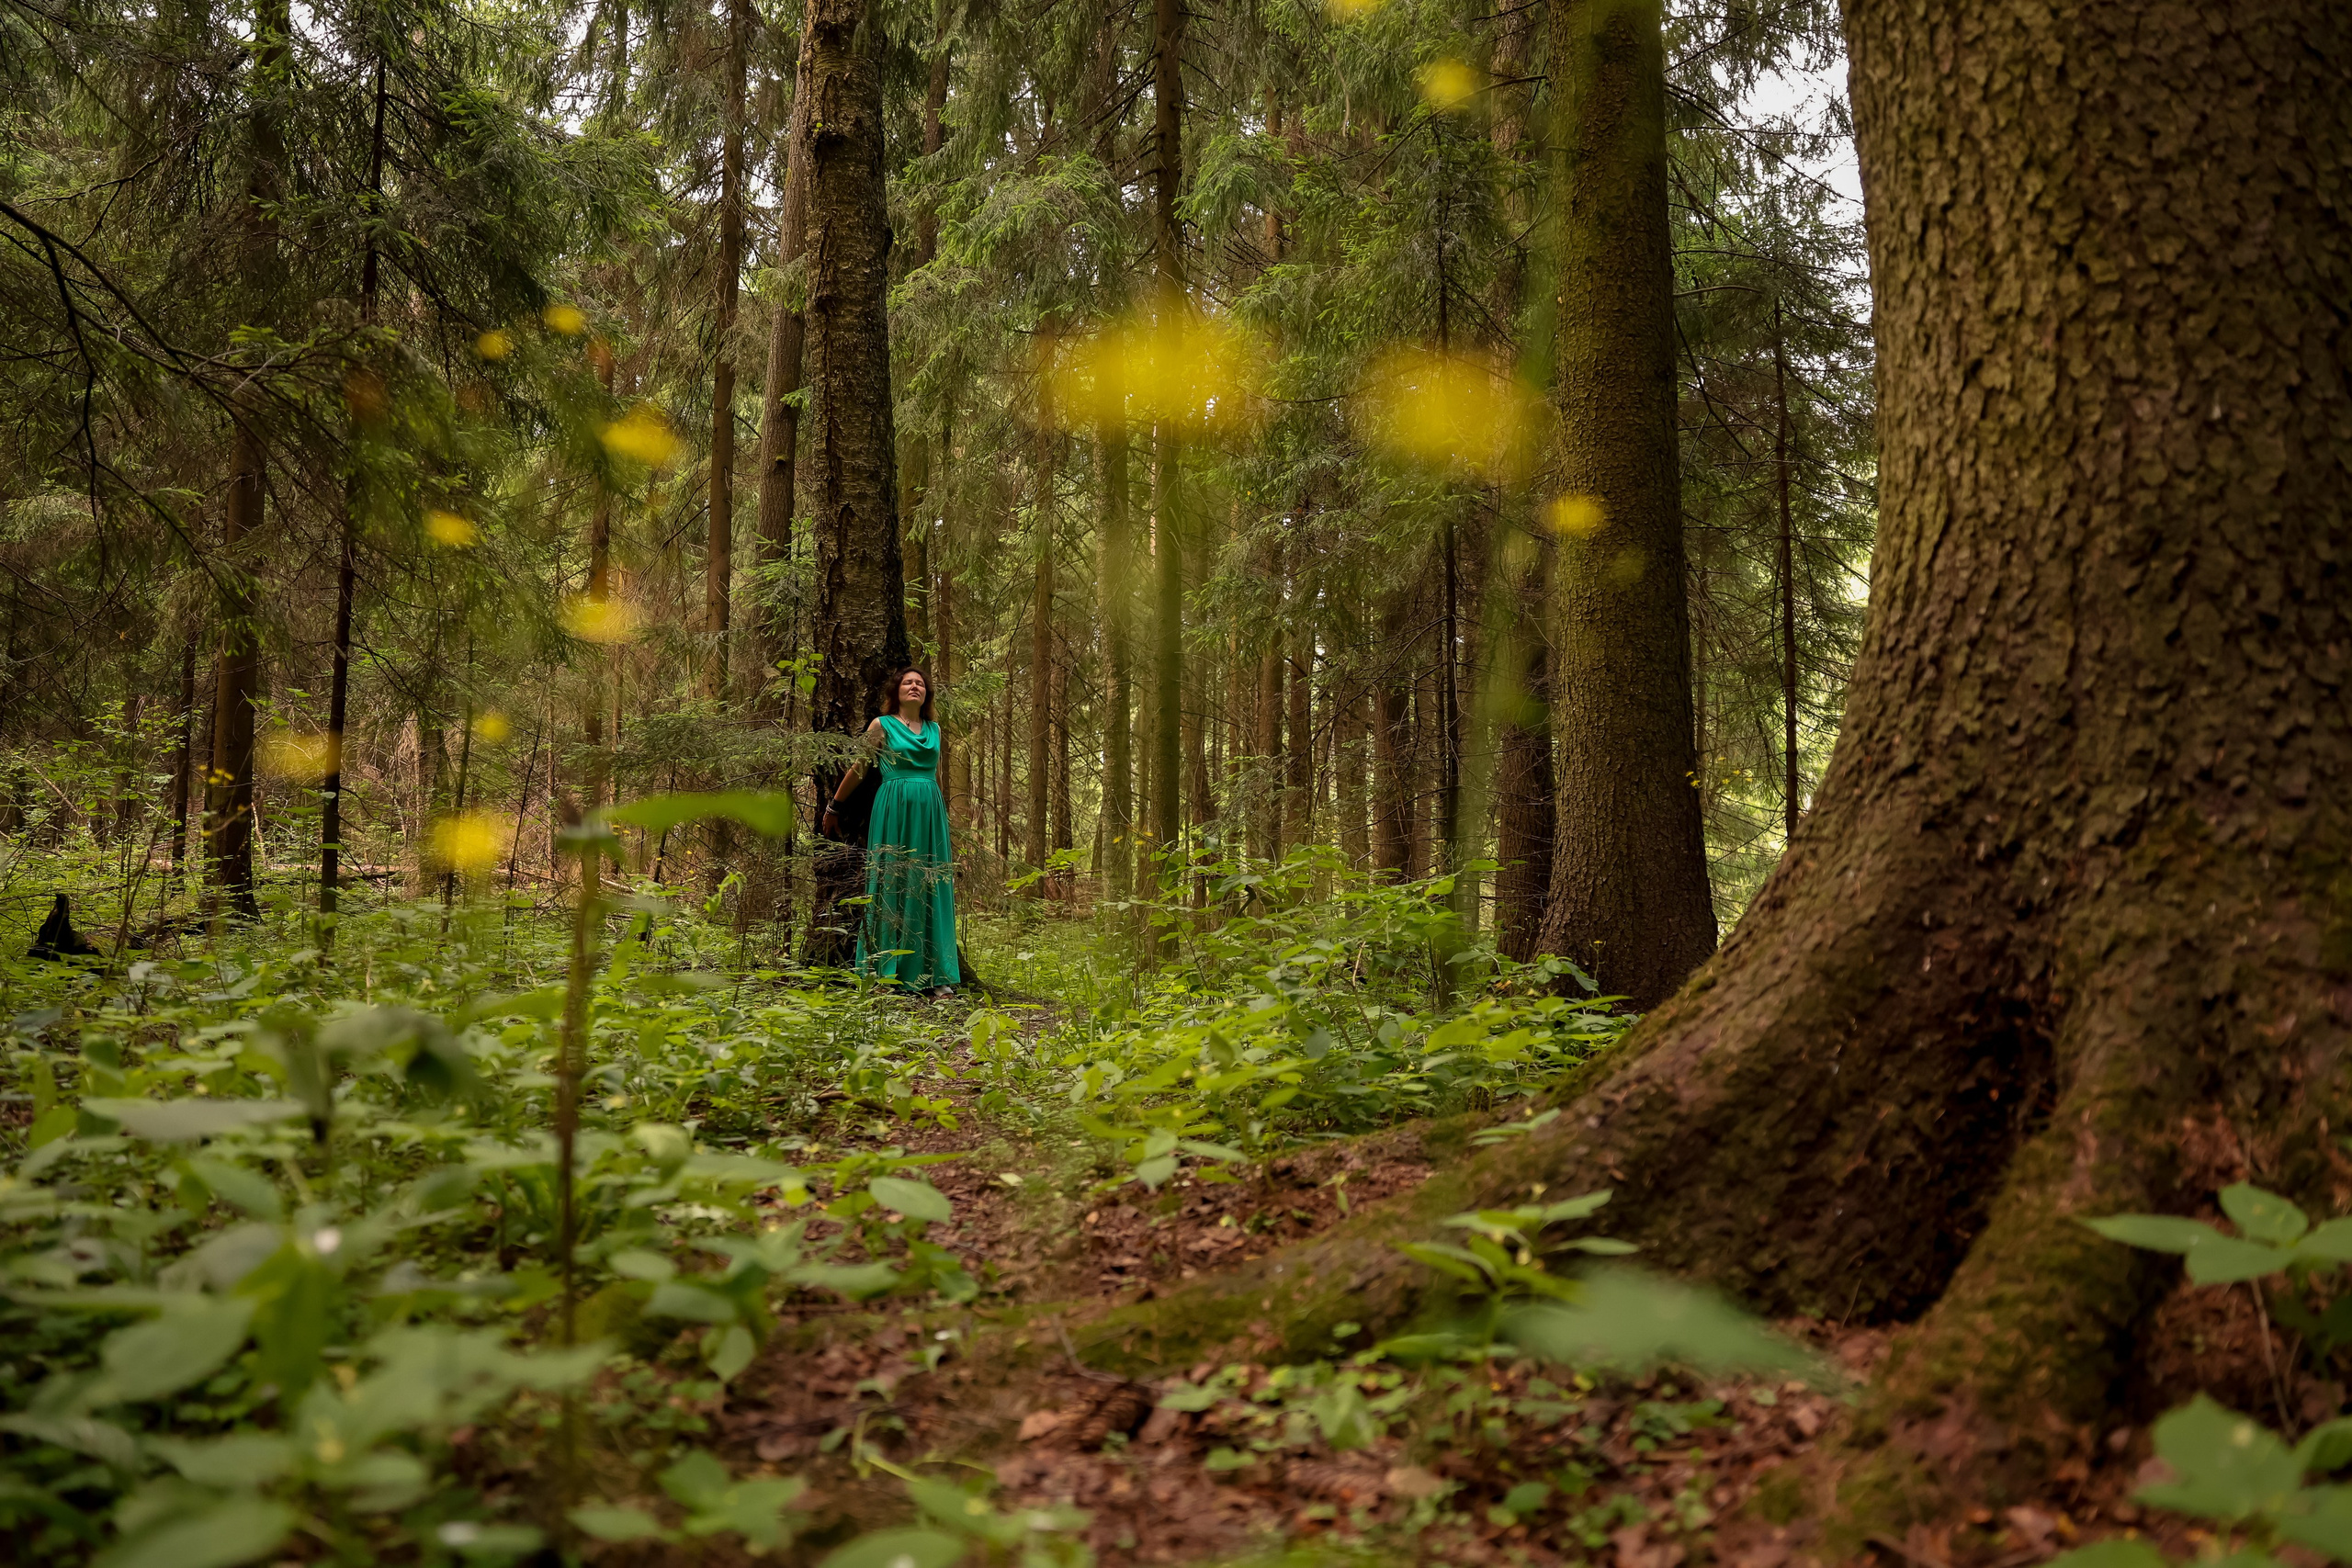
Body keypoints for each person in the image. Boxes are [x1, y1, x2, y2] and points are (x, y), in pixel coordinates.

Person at [822, 667, 959, 996]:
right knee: (890, 882)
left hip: (929, 812)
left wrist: (940, 813)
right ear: (896, 691)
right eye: (908, 682)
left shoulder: (935, 729)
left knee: (931, 885)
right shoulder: (881, 726)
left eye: (921, 684)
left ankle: (934, 974)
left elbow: (935, 776)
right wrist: (834, 806)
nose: (915, 687)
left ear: (927, 694)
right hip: (893, 809)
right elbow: (860, 768)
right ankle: (882, 971)